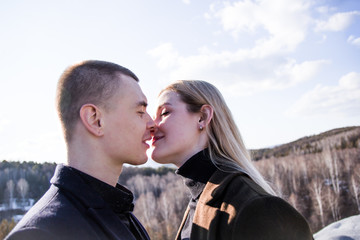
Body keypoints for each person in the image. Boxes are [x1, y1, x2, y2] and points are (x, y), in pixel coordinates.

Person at [6, 60, 154, 240]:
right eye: (140, 112)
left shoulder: (123, 216)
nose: (152, 124)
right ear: (95, 119)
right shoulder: (41, 233)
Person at [151, 80, 313, 240]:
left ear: (202, 117)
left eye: (164, 113)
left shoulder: (256, 209)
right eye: (153, 117)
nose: (152, 125)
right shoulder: (201, 200)